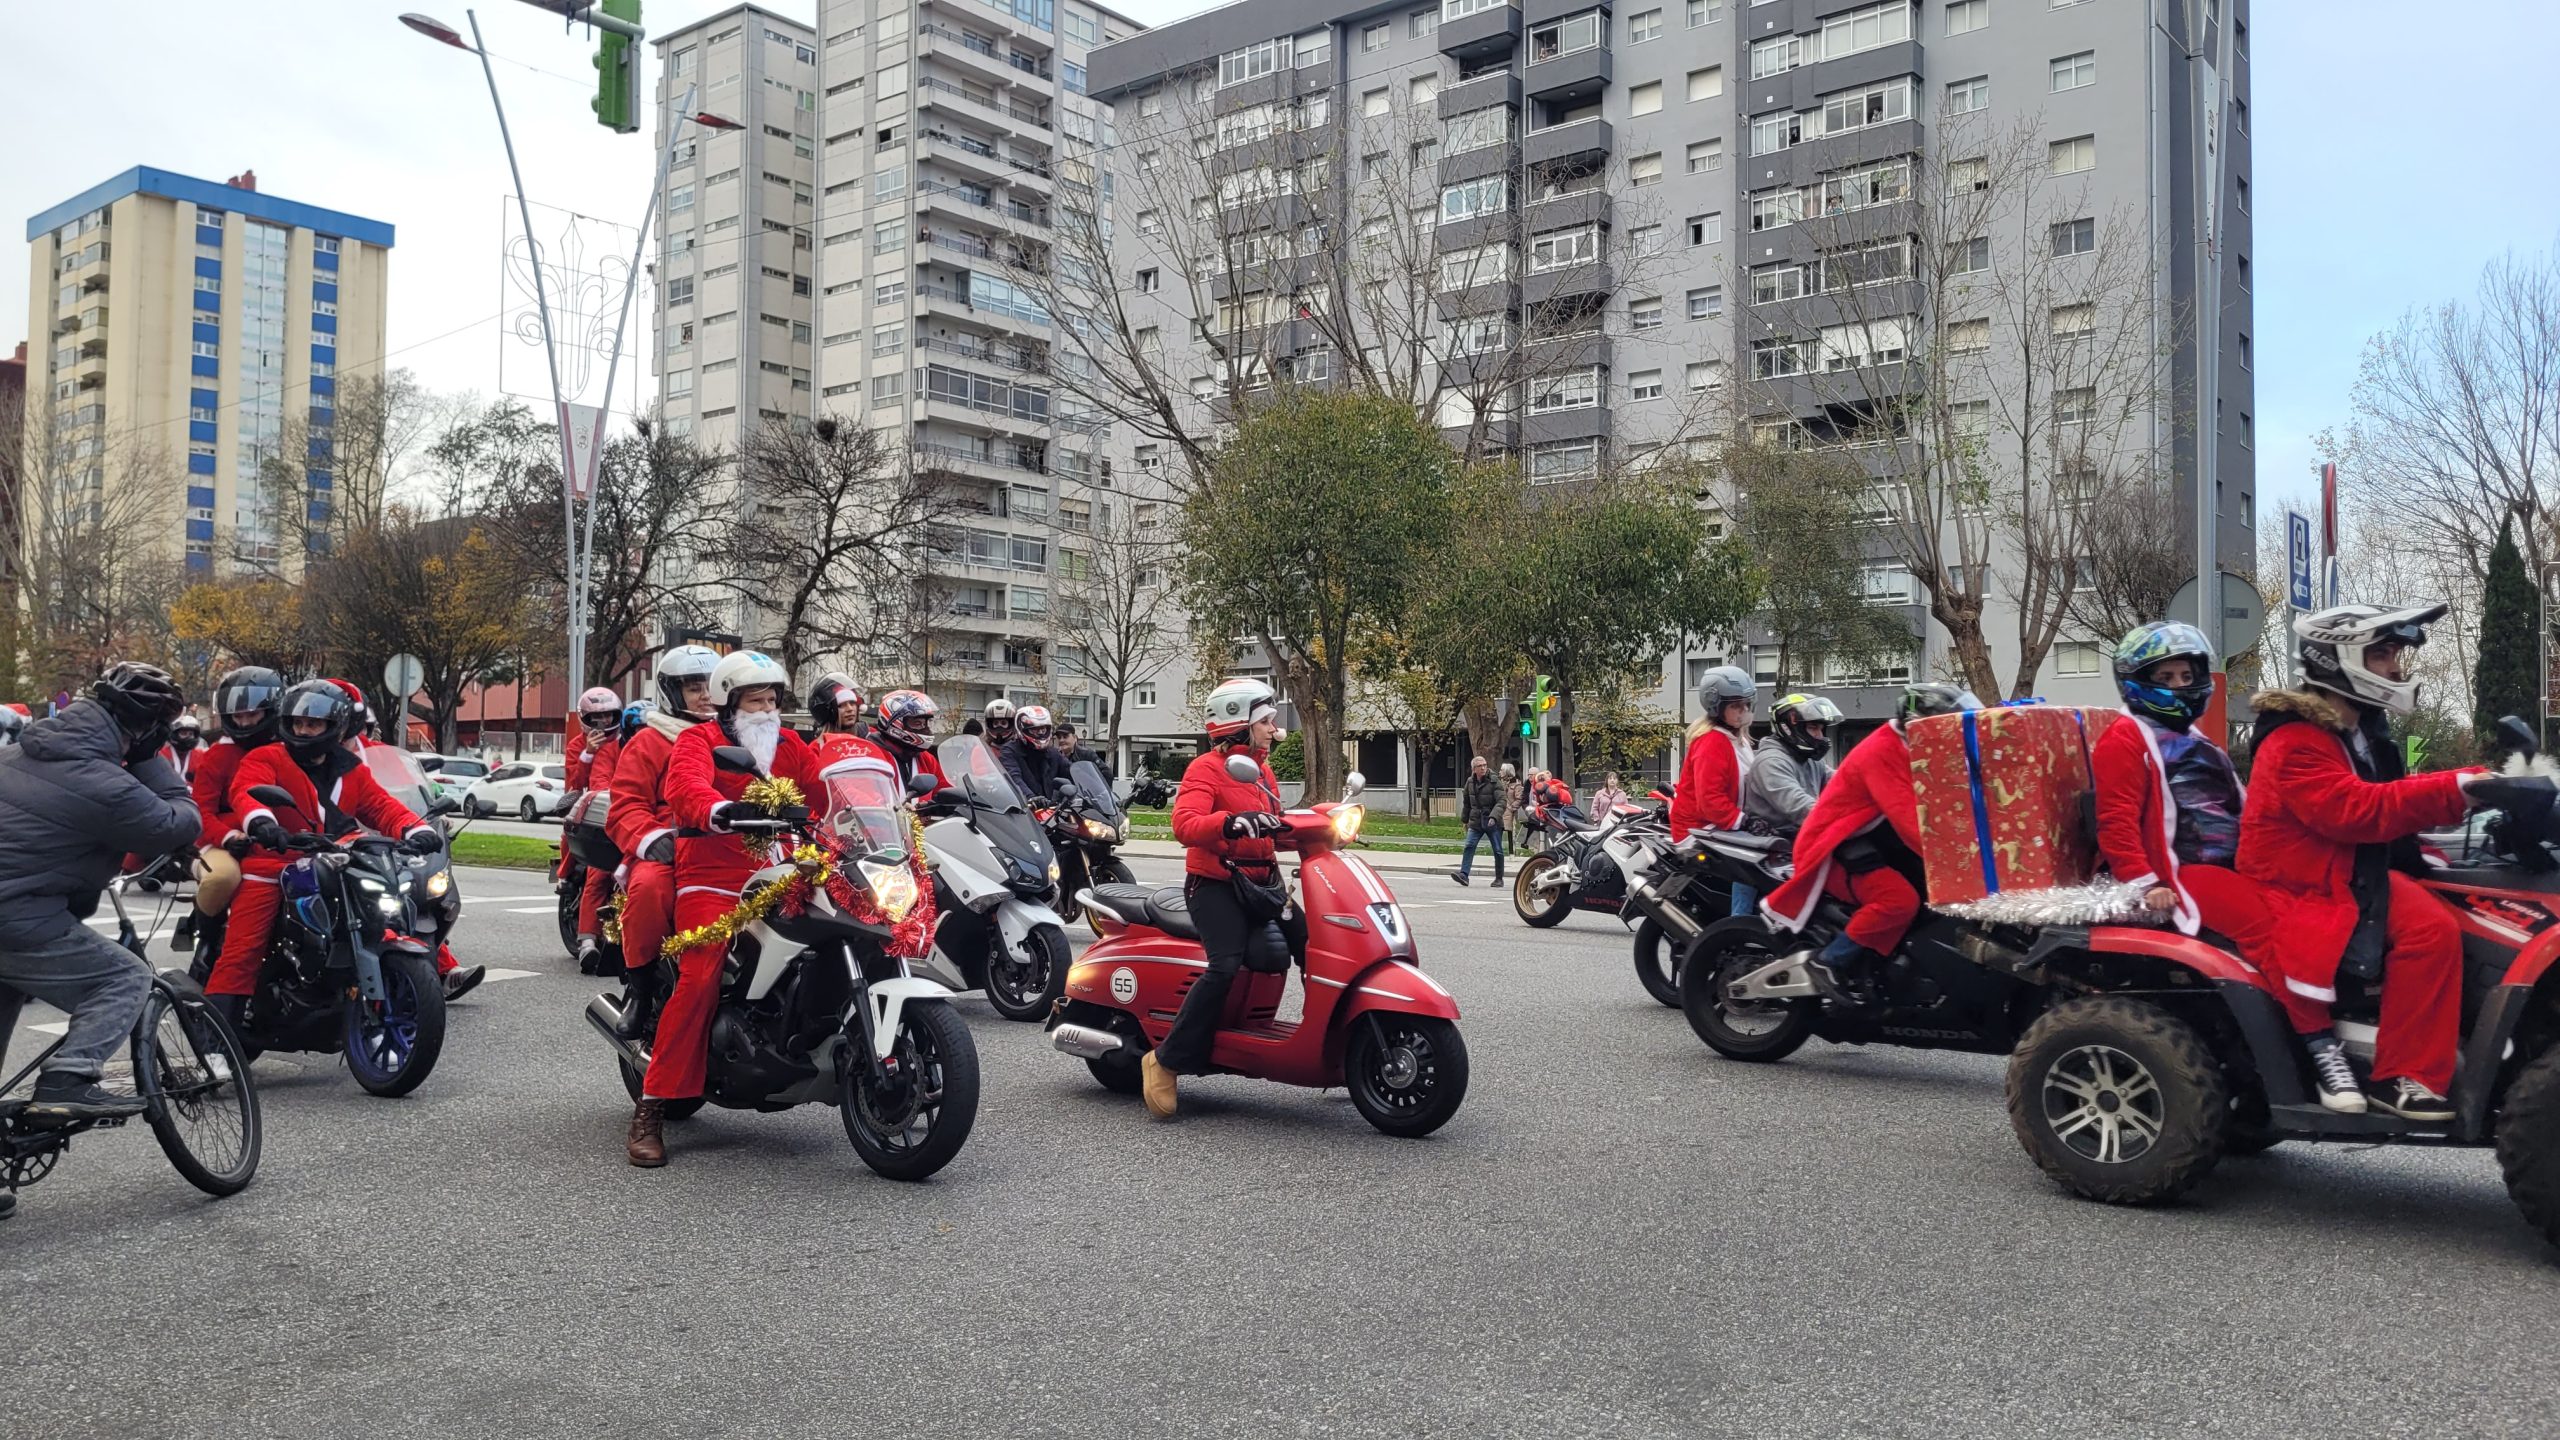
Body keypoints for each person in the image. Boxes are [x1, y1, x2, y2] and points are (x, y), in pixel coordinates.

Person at [2241, 603, 2528, 1122]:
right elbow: (2354, 810)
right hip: (2305, 884)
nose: (2396, 668)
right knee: (2430, 932)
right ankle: (2401, 1075)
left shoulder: (2359, 731)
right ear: (2338, 659)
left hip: (2352, 872)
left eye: (2395, 654)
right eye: (2382, 655)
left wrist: (2485, 781)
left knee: (2470, 904)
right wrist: (2462, 787)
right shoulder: (2294, 740)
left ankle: (2477, 1041)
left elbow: (2393, 795)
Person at [2092, 624, 2322, 1095]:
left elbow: (2242, 806)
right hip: (2184, 871)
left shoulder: (2197, 739)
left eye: (2186, 675)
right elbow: (2115, 821)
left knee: (2315, 911)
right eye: (2166, 677)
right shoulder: (2125, 738)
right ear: (2136, 681)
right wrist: (2145, 882)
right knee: (2270, 932)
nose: (2180, 685)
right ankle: (2316, 1043)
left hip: (2235, 863)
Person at [627, 650, 826, 1166]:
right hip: (712, 877)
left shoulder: (791, 745)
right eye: (755, 701)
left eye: (772, 700)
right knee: (700, 977)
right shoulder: (699, 740)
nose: (766, 710)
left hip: (783, 871)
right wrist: (717, 809)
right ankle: (652, 1105)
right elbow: (685, 787)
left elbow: (825, 792)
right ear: (729, 702)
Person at [0, 664, 198, 1137]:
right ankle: (68, 1080)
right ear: (150, 728)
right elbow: (178, 823)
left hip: (15, 909)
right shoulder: (105, 783)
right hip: (17, 916)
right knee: (125, 977)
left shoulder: (11, 755)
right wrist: (149, 760)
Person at [208, 682, 445, 1031]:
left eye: (313, 724)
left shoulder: (352, 769)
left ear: (335, 726)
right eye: (298, 723)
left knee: (385, 912)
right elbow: (247, 791)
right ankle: (215, 1041)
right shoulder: (266, 757)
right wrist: (262, 823)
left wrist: (416, 830)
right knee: (243, 950)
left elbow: (382, 806)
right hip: (276, 862)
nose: (304, 730)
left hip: (339, 859)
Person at [1142, 678, 1305, 1119]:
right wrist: (1228, 822)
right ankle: (1165, 1060)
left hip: (1261, 884)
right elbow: (1185, 825)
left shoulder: (1261, 771)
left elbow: (1275, 822)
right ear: (1238, 724)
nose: (1273, 729)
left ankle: (1333, 1038)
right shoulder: (1205, 769)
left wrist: (1318, 827)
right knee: (1225, 964)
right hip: (1214, 886)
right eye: (1266, 721)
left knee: (1312, 940)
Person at [1761, 683, 1977, 1005]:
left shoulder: (1916, 749)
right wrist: (1960, 859)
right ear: (1920, 724)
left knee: (1929, 893)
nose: (1953, 735)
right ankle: (1828, 962)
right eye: (1947, 726)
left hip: (1871, 840)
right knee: (1899, 901)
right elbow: (1909, 819)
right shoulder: (1883, 751)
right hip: (1834, 846)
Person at [604, 645, 722, 1041]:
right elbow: (624, 805)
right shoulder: (649, 742)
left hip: (728, 847)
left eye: (711, 687)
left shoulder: (737, 736)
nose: (705, 696)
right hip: (671, 846)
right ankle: (641, 988)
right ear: (673, 693)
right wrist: (652, 839)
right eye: (694, 688)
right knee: (650, 888)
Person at [179, 666, 285, 949]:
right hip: (221, 843)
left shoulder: (289, 750)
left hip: (277, 841)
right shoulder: (217, 755)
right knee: (223, 877)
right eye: (238, 716)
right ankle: (208, 941)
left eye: (252, 714)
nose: (245, 723)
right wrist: (228, 837)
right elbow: (200, 811)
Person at [1674, 666, 1760, 913]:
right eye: (1736, 705)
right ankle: (1740, 924)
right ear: (1717, 707)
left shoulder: (1739, 740)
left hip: (1722, 826)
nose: (1744, 710)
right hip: (1700, 829)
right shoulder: (1712, 742)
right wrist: (1745, 821)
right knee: (1752, 861)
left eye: (1747, 704)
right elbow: (1710, 801)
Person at [563, 686, 627, 976]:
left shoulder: (631, 744)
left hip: (629, 817)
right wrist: (588, 753)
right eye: (596, 718)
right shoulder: (583, 746)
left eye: (609, 716)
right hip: (591, 814)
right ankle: (587, 940)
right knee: (598, 872)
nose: (603, 722)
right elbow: (578, 783)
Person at [1744, 693, 1841, 836]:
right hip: (1779, 840)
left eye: (1821, 729)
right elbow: (1800, 807)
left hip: (1803, 834)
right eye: (1813, 728)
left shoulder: (1808, 759)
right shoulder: (1770, 762)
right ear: (1790, 727)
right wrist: (1840, 816)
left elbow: (1839, 782)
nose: (1820, 736)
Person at [873, 689, 950, 794]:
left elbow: (944, 790)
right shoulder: (874, 756)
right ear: (896, 723)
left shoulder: (926, 759)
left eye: (925, 723)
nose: (925, 729)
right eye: (917, 723)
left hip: (920, 806)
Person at [1450, 754, 1506, 887]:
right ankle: (1464, 875)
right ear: (1474, 769)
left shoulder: (1494, 781)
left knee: (1498, 850)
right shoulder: (1470, 782)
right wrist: (1464, 820)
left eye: (1484, 765)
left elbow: (1502, 801)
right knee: (1469, 845)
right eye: (1480, 766)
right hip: (1476, 821)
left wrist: (1494, 816)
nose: (1483, 768)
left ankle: (1499, 878)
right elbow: (1467, 803)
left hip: (1492, 821)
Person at [807, 672, 881, 766]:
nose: (850, 709)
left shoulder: (871, 737)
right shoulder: (816, 750)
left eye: (852, 703)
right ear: (827, 711)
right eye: (841, 705)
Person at [1000, 704, 1063, 804]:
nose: (1041, 733)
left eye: (1044, 729)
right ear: (1021, 728)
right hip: (1023, 807)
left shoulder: (1053, 753)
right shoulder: (1010, 751)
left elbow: (1071, 771)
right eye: (1035, 729)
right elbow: (1014, 778)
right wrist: (1030, 797)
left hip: (1050, 808)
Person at [167, 714, 203, 780]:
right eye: (184, 733)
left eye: (191, 734)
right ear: (174, 735)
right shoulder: (161, 754)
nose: (188, 737)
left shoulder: (200, 755)